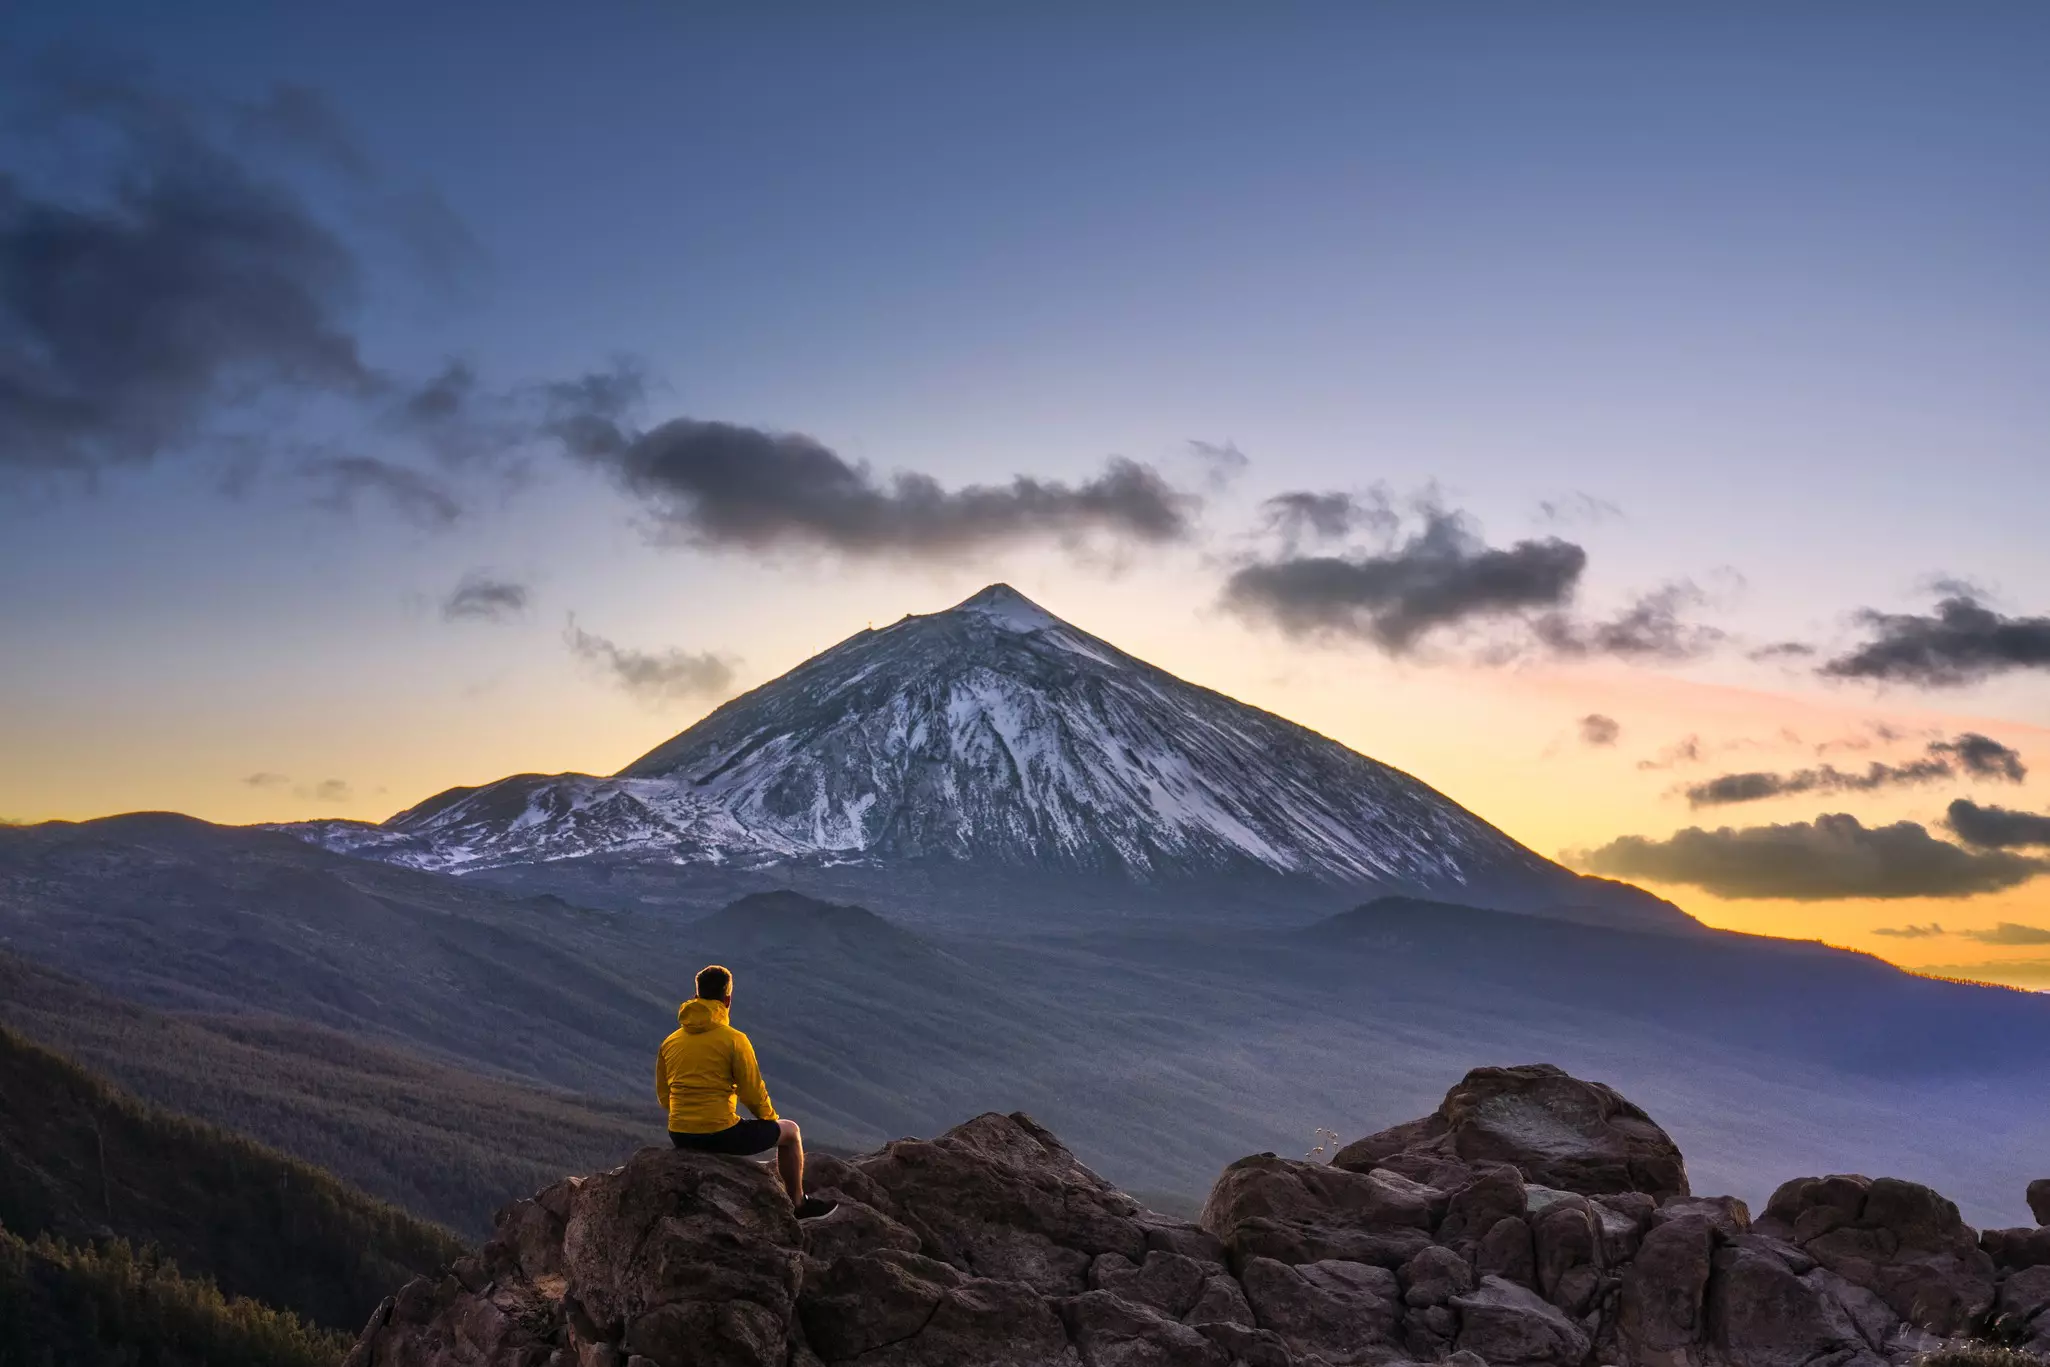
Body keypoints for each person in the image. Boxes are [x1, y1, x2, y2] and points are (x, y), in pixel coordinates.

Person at [656, 964, 835, 1218]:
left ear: (696, 996)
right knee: (791, 1132)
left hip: (680, 1134)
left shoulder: (670, 1041)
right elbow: (752, 1093)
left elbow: (665, 1098)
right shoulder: (734, 1039)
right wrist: (770, 1121)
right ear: (727, 999)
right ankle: (799, 1204)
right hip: (720, 1134)